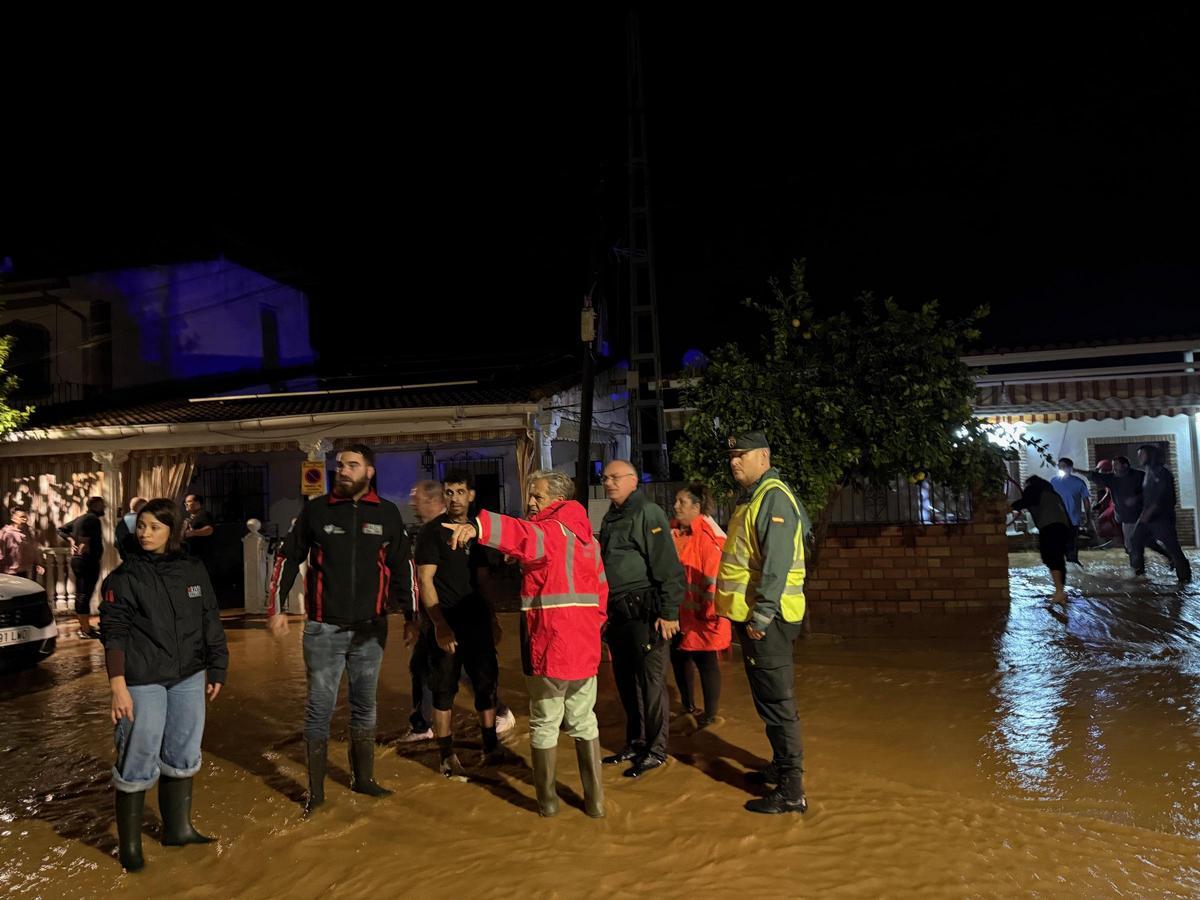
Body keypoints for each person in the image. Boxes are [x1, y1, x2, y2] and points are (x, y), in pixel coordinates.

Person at [443, 469, 608, 817]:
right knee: (584, 720)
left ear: (558, 500)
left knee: (545, 722)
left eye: (538, 496)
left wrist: (478, 528)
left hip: (550, 645)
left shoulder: (549, 531)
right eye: (530, 495)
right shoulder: (588, 539)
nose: (531, 502)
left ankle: (547, 804)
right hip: (585, 646)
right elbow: (601, 594)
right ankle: (595, 804)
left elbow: (521, 535)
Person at [266, 445, 414, 812]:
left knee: (365, 707)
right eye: (340, 465)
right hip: (323, 629)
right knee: (319, 707)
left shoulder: (387, 514)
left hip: (370, 630)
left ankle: (363, 780)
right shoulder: (316, 511)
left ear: (369, 471)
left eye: (352, 465)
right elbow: (287, 557)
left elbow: (403, 568)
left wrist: (413, 617)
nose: (343, 470)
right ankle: (315, 794)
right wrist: (277, 608)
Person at [99, 498, 228, 872]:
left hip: (188, 674)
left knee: (184, 751)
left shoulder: (192, 569)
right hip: (141, 679)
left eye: (155, 526)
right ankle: (131, 849)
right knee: (138, 754)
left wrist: (217, 667)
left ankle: (179, 830)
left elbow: (209, 618)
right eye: (141, 525)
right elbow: (114, 634)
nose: (145, 533)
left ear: (172, 531)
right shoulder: (123, 579)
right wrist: (118, 686)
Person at [715, 432, 809, 815]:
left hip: (768, 618)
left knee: (777, 702)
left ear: (764, 456)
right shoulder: (754, 498)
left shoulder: (773, 498)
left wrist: (763, 613)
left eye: (741, 454)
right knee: (768, 699)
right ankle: (779, 766)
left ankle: (791, 790)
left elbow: (777, 562)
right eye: (731, 455)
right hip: (756, 615)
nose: (734, 461)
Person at [414, 470, 513, 777]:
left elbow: (483, 581)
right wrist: (440, 625)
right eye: (449, 492)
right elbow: (424, 580)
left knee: (486, 685)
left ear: (471, 495)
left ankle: (490, 747)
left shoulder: (478, 533)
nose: (454, 497)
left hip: (478, 621)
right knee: (443, 691)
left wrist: (493, 618)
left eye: (460, 491)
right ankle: (446, 756)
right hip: (447, 622)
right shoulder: (431, 533)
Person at [599, 460, 686, 778]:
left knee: (651, 685)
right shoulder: (611, 517)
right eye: (605, 477)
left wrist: (669, 612)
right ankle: (635, 742)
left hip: (646, 612)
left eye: (615, 477)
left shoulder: (647, 512)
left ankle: (657, 749)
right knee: (626, 682)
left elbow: (668, 567)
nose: (608, 482)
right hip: (619, 615)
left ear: (633, 480)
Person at [670, 482, 729, 729]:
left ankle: (710, 715)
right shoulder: (673, 532)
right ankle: (688, 706)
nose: (676, 506)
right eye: (676, 501)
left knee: (706, 662)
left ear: (697, 506)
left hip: (704, 615)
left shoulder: (710, 537)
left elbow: (715, 578)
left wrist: (710, 612)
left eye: (682, 502)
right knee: (679, 656)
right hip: (679, 613)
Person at [1129, 445, 1192, 583]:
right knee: (1136, 540)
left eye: (1142, 454)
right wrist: (1138, 499)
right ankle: (1139, 574)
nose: (1139, 457)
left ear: (1151, 455)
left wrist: (1151, 510)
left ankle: (1185, 579)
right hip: (1147, 516)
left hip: (1161, 517)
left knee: (1173, 547)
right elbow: (1149, 493)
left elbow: (1164, 495)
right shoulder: (1148, 472)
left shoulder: (1162, 473)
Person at [1011, 475, 1071, 605]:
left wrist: (1008, 508)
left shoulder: (1034, 489)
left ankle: (1059, 592)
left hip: (1050, 527)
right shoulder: (1053, 494)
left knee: (1051, 557)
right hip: (1063, 527)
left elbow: (1024, 502)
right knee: (1059, 559)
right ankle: (1060, 592)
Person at [58, 496, 106, 639]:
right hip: (87, 561)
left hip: (79, 561)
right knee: (84, 595)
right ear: (96, 506)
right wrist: (83, 543)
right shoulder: (92, 519)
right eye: (102, 505)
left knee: (82, 594)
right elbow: (85, 539)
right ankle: (85, 630)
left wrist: (71, 540)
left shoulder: (81, 518)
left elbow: (61, 529)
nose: (104, 508)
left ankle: (84, 626)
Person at [1050, 458, 1092, 564]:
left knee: (1071, 546)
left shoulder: (1079, 482)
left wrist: (1088, 518)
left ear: (1070, 468)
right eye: (1059, 466)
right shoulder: (1053, 481)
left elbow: (1086, 500)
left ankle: (1073, 566)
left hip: (1073, 519)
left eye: (1063, 466)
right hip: (1056, 519)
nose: (1060, 468)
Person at [1, 508, 45, 579]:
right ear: (13, 518)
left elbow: (33, 549)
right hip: (10, 573)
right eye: (22, 517)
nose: (25, 519)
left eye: (26, 517)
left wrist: (38, 563)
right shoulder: (5, 533)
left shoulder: (27, 532)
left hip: (26, 572)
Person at [183, 494, 216, 572]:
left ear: (197, 503)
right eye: (185, 502)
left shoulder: (203, 515)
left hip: (202, 557)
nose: (186, 504)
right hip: (192, 555)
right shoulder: (191, 517)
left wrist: (193, 533)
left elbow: (209, 529)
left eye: (189, 501)